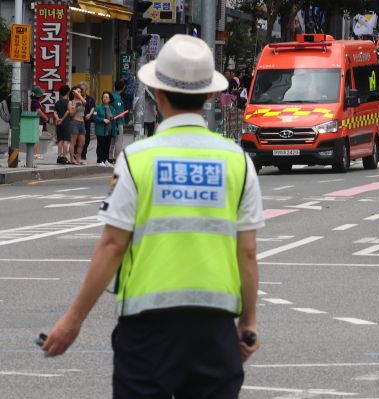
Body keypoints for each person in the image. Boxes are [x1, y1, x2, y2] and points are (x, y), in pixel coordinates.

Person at [42, 34, 265, 399]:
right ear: (210, 96)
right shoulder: (237, 161)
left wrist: (73, 319)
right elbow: (248, 254)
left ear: (156, 94)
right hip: (215, 327)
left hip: (146, 329)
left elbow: (112, 246)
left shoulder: (137, 159)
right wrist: (249, 322)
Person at [93, 91, 116, 166]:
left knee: (107, 145)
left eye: (106, 97)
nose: (104, 98)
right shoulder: (98, 107)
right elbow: (94, 117)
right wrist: (103, 120)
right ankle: (99, 160)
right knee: (101, 145)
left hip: (109, 130)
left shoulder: (112, 108)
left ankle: (105, 160)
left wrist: (112, 119)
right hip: (100, 130)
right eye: (103, 97)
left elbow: (114, 117)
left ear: (109, 99)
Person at [109, 79, 127, 163]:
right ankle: (117, 157)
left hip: (110, 122)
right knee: (118, 141)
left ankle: (110, 157)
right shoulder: (118, 98)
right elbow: (119, 113)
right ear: (123, 88)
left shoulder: (110, 95)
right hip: (118, 122)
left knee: (111, 141)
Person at [68, 86, 87, 165]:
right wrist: (76, 107)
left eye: (80, 91)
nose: (78, 93)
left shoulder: (82, 100)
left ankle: (78, 159)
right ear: (73, 93)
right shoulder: (71, 102)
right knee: (73, 142)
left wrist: (79, 96)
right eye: (77, 91)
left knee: (82, 143)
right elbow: (71, 114)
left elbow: (85, 103)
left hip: (82, 122)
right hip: (74, 122)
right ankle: (72, 159)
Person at [29, 87, 48, 160]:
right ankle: (36, 153)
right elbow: (38, 111)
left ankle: (37, 153)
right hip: (37, 122)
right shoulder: (35, 102)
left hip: (37, 122)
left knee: (36, 138)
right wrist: (46, 117)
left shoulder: (35, 101)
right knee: (36, 138)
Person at [54, 85, 71, 164]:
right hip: (66, 123)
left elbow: (54, 112)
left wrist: (58, 119)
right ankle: (64, 157)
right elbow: (68, 112)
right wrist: (62, 119)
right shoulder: (68, 102)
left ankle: (59, 156)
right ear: (68, 92)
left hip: (59, 124)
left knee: (60, 140)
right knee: (66, 140)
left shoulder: (57, 102)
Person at [79, 81, 96, 161]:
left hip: (87, 121)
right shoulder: (76, 98)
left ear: (86, 90)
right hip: (78, 120)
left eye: (83, 89)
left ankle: (84, 153)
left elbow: (93, 107)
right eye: (80, 89)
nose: (82, 91)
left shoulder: (90, 99)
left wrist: (89, 114)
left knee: (87, 138)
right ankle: (78, 153)